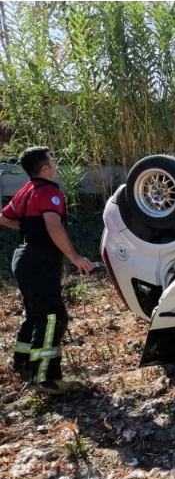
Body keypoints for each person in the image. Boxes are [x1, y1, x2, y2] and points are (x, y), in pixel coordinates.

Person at [0, 146, 93, 394]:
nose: (54, 164)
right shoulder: (50, 192)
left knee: (34, 312)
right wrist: (74, 257)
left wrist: (30, 229)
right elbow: (54, 228)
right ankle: (47, 378)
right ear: (44, 168)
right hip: (40, 261)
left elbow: (3, 218)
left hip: (22, 257)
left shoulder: (24, 191)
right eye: (52, 161)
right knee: (53, 316)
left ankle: (22, 362)